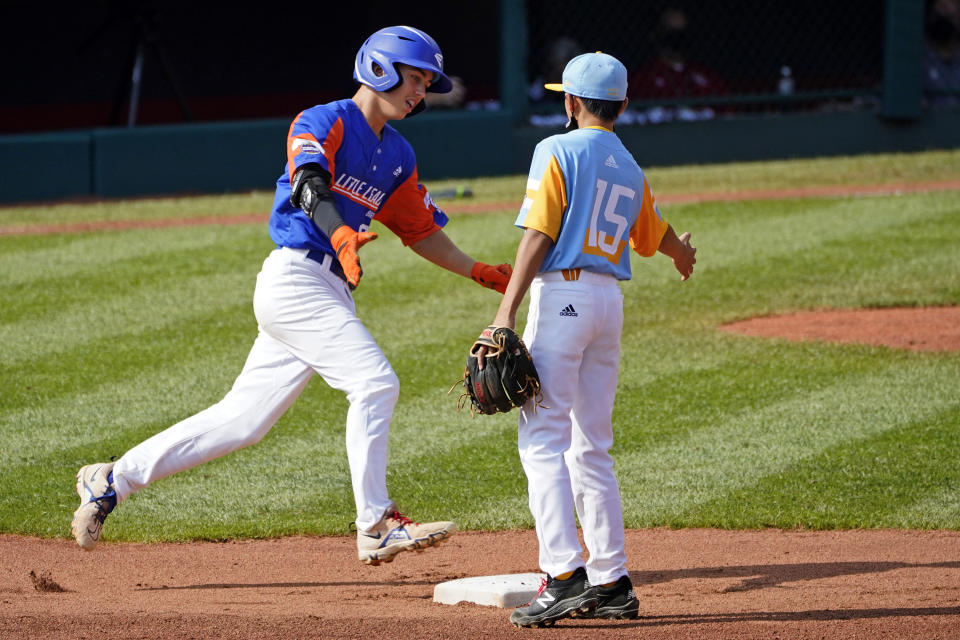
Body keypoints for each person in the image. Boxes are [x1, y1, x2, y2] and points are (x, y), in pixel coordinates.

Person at [71, 25, 512, 567]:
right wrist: (341, 234)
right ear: (380, 68)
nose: (420, 92)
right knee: (375, 383)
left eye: (425, 84)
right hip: (294, 280)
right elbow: (308, 183)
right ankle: (375, 524)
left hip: (329, 290)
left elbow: (419, 231)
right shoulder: (322, 120)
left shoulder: (398, 153)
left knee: (243, 420)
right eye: (415, 78)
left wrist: (476, 271)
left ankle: (111, 479)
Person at [480, 52, 696, 627]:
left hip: (564, 300)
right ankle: (613, 580)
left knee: (542, 441)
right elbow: (655, 234)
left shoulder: (556, 149)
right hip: (608, 305)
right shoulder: (628, 163)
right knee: (591, 446)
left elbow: (538, 234)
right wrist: (683, 254)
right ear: (622, 106)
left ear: (571, 104)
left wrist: (505, 312)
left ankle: (564, 575)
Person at [628, 3, 727, 120]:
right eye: (670, 34)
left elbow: (729, 114)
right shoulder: (642, 79)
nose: (676, 40)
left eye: (681, 35)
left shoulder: (706, 78)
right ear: (655, 35)